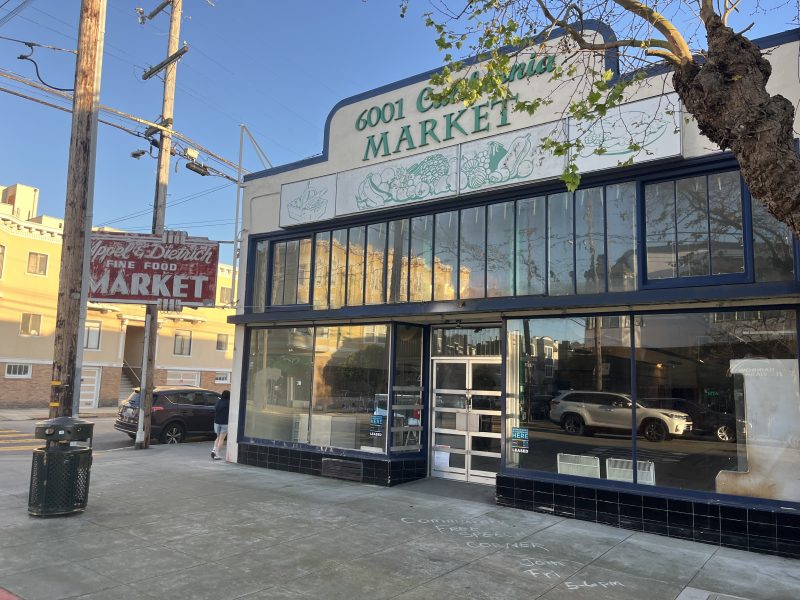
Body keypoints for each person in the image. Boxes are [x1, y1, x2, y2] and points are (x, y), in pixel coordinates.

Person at [212, 390, 230, 460]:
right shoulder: (229, 403)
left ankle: (214, 450)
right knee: (221, 439)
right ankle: (217, 454)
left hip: (216, 422)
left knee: (218, 437)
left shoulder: (218, 401)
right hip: (225, 423)